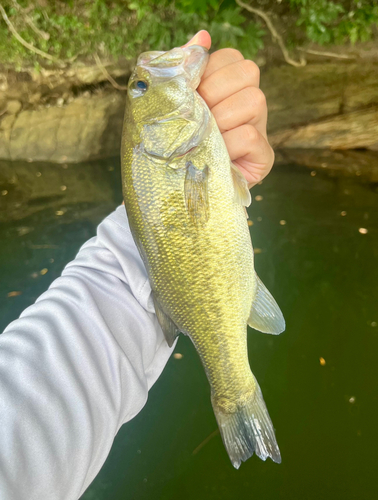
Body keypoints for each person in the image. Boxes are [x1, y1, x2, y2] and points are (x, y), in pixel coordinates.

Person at [0, 31, 275, 499]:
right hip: (184, 244)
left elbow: (173, 226)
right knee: (231, 376)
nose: (145, 79)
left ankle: (234, 391)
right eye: (141, 89)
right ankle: (233, 391)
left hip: (177, 246)